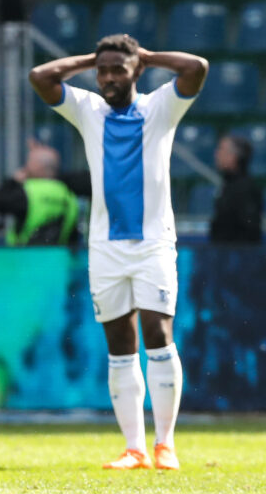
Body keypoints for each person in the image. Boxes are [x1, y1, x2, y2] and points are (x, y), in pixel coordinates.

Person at [29, 33, 208, 470]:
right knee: (119, 345)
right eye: (102, 71)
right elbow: (40, 76)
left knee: (158, 336)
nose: (108, 77)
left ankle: (165, 444)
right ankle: (134, 448)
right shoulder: (89, 109)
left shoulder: (160, 107)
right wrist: (93, 58)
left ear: (137, 72)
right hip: (105, 247)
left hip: (153, 243)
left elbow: (196, 66)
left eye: (117, 70)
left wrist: (146, 55)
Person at [0, 142, 79, 246]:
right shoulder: (69, 195)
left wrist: (13, 181)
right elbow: (73, 235)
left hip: (26, 257)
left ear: (37, 167)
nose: (26, 168)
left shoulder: (27, 191)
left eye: (29, 163)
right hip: (58, 258)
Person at [210, 135, 262, 243]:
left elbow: (249, 230)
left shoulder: (245, 189)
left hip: (236, 256)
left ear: (234, 156)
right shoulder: (227, 185)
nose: (216, 154)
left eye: (221, 149)